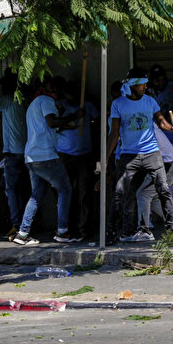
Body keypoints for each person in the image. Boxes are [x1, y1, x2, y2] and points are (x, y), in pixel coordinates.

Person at [106, 67, 173, 243]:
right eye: (142, 84)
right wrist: (105, 158)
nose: (145, 86)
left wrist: (170, 128)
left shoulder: (150, 101)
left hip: (151, 152)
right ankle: (112, 232)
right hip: (129, 154)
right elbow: (114, 133)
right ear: (133, 85)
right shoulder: (118, 104)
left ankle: (172, 228)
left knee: (163, 189)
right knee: (120, 193)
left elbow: (160, 120)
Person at [14, 77, 80, 245]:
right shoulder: (47, 101)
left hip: (31, 156)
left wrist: (65, 125)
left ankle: (22, 233)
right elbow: (51, 122)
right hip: (46, 156)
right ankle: (62, 231)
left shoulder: (34, 104)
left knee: (36, 195)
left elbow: (47, 127)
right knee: (65, 189)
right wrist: (73, 116)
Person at [56, 81, 99, 240]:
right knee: (67, 193)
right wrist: (74, 117)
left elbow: (99, 121)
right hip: (65, 155)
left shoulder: (86, 106)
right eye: (69, 94)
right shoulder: (60, 106)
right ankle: (68, 228)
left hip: (84, 155)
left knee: (84, 194)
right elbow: (54, 125)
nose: (71, 97)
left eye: (75, 94)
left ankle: (84, 229)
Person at [0, 70, 28, 239]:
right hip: (24, 151)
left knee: (10, 189)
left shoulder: (8, 100)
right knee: (20, 188)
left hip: (12, 152)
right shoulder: (22, 100)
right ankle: (23, 223)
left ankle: (16, 225)